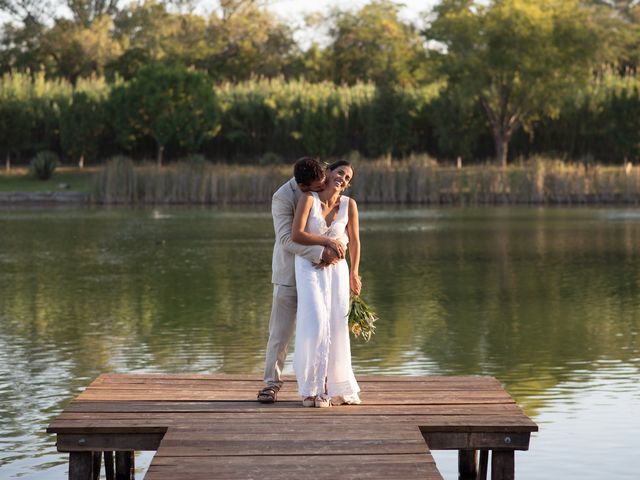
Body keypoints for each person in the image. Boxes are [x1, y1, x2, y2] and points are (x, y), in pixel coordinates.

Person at [257, 157, 341, 404]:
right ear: (303, 186)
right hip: (289, 274)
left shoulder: (325, 184)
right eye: (314, 187)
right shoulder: (282, 197)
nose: (319, 188)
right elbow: (285, 239)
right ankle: (271, 385)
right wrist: (321, 251)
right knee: (280, 333)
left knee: (321, 329)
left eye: (321, 182)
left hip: (322, 274)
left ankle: (320, 383)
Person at [291, 160, 361, 407]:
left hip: (338, 272)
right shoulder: (308, 199)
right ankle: (310, 388)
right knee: (316, 323)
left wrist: (354, 273)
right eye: (340, 172)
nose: (344, 178)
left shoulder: (349, 205)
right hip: (309, 267)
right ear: (328, 173)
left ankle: (329, 388)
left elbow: (355, 241)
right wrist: (328, 242)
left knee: (336, 326)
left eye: (348, 178)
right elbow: (296, 234)